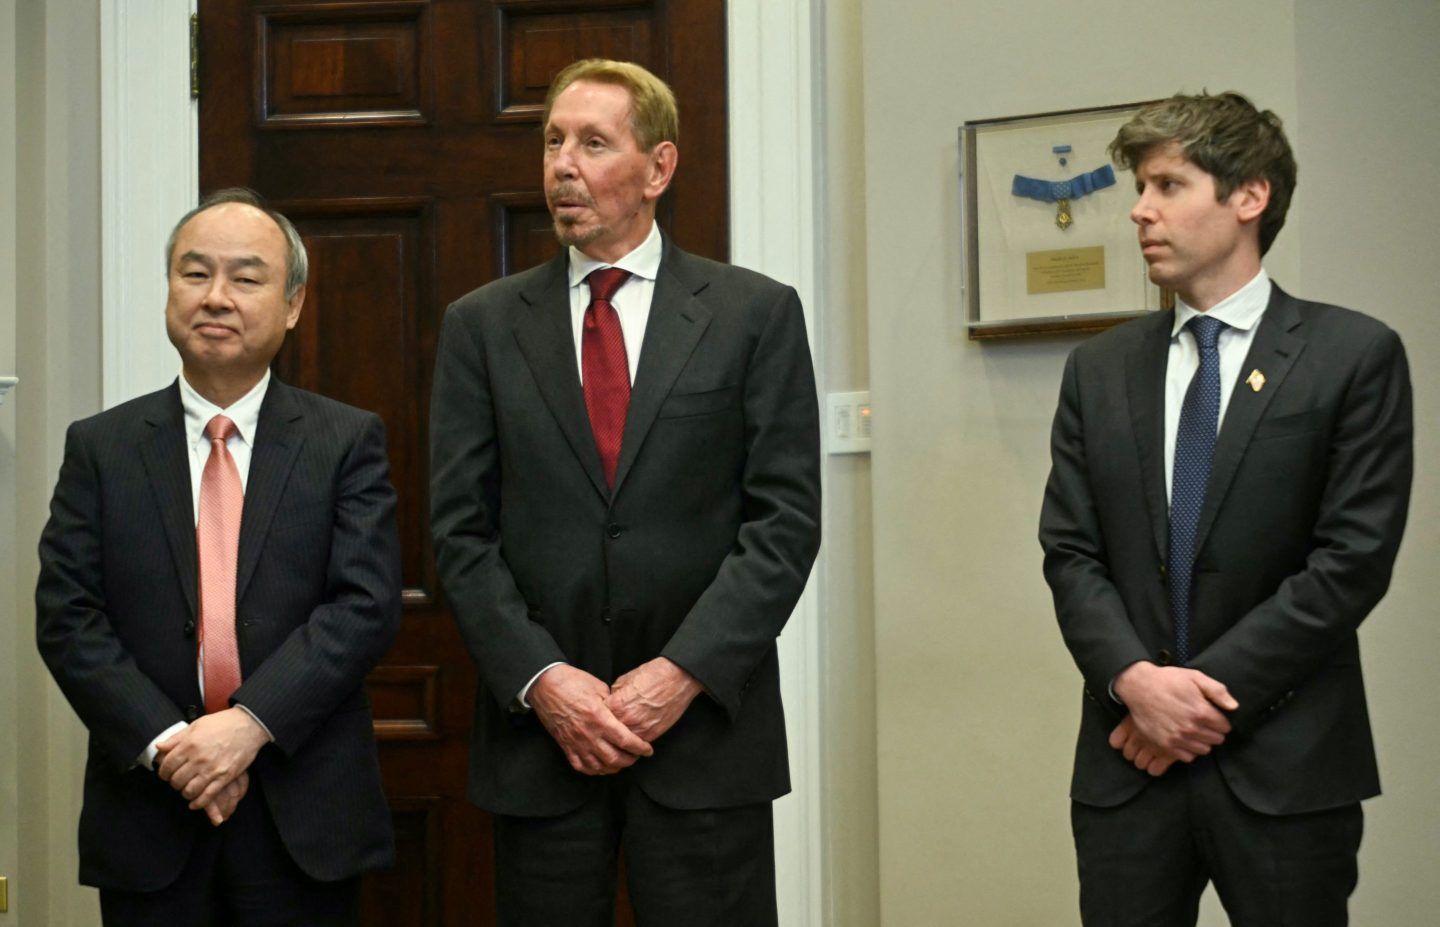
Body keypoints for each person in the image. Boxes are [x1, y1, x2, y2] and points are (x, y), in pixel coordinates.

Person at [430, 58, 820, 925]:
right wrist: (544, 680)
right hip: (543, 742)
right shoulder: (482, 327)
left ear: (659, 168)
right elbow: (460, 532)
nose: (562, 164)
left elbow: (784, 525)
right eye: (552, 141)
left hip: (705, 741)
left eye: (593, 143)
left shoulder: (753, 314)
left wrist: (678, 675)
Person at [1038, 91, 1413, 926]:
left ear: (1250, 197)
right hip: (1126, 769)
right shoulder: (1098, 371)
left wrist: (1190, 703)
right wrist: (1137, 683)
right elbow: (1070, 553)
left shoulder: (1352, 357)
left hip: (1286, 767)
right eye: (1141, 186)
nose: (1140, 210)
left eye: (1169, 185)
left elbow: (1350, 561)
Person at [36, 188, 402, 925]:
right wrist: (175, 746)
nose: (216, 297)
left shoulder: (345, 441)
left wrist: (248, 725)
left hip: (303, 811)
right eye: (194, 273)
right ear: (169, 289)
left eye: (246, 277)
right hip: (151, 811)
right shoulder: (101, 447)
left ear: (293, 303)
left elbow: (363, 606)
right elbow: (69, 618)